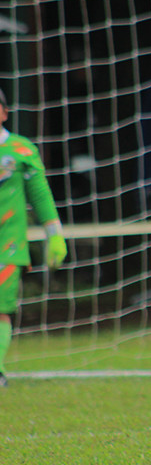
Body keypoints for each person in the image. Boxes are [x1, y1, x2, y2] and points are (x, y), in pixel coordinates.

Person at [0, 88, 67, 388]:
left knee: (0, 308)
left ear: (4, 112)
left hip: (8, 244)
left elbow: (40, 194)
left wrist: (55, 235)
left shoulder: (21, 150)